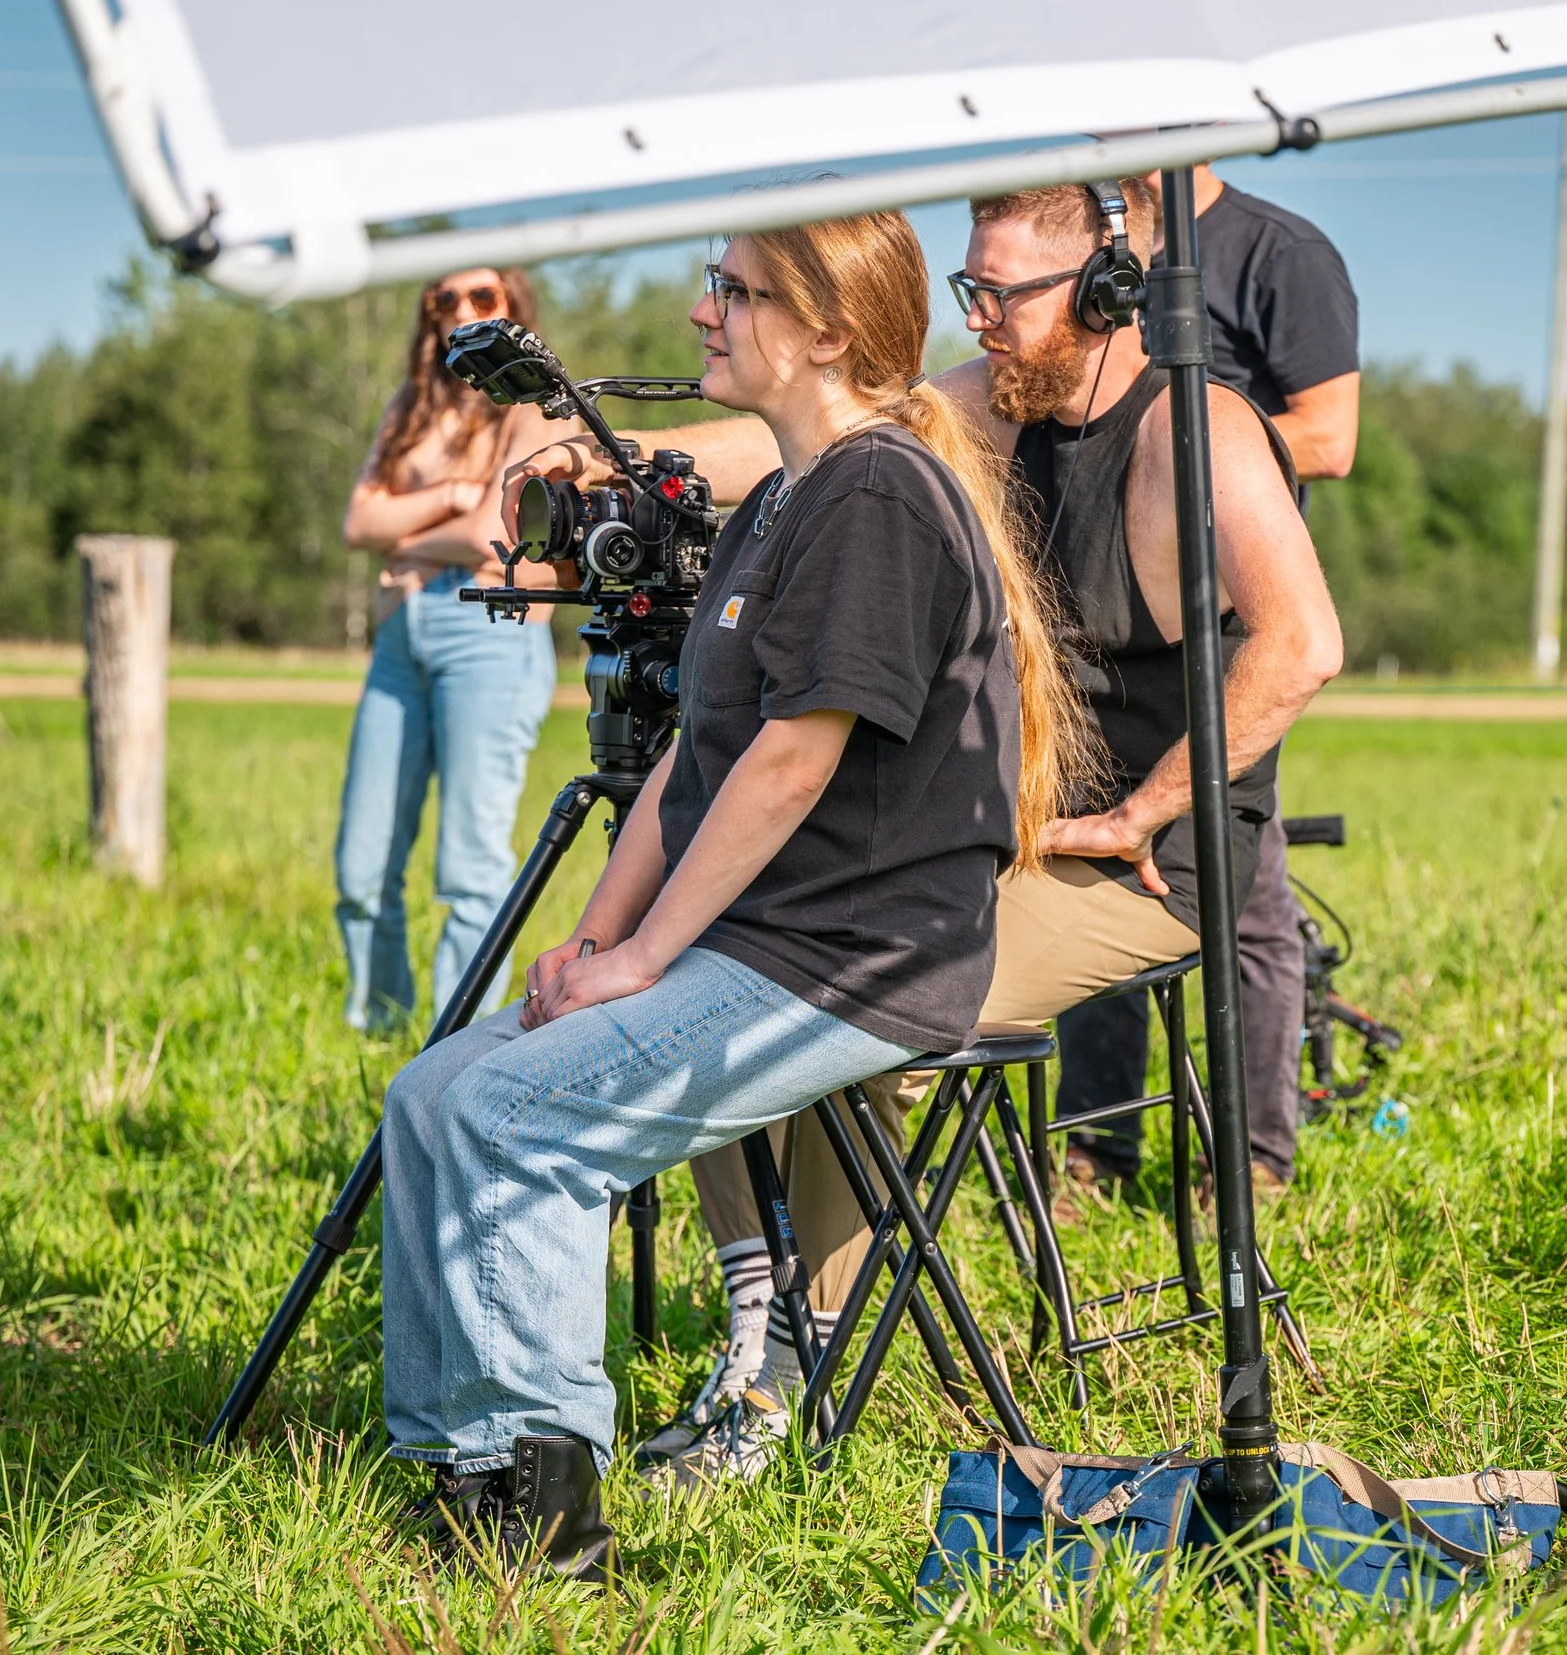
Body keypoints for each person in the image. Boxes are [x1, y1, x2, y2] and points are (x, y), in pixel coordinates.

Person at [515, 178, 1342, 1490]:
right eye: (969, 290)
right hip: (1003, 838)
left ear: (1099, 295)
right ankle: (765, 1313)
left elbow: (1303, 643)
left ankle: (794, 1360)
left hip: (1144, 865)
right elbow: (819, 426)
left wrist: (1142, 807)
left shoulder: (1196, 429)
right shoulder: (995, 406)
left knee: (853, 989)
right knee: (735, 949)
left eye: (1000, 296)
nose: (981, 321)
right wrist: (612, 469)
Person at [374, 208, 1090, 1578]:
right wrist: (596, 934)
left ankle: (548, 1508)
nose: (705, 311)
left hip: (856, 957)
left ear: (825, 331)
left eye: (735, 288)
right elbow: (689, 763)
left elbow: (788, 761)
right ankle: (459, 1463)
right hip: (765, 939)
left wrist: (644, 960)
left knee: (520, 1114)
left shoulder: (879, 492)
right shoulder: (779, 495)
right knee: (431, 1096)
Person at [1055, 162, 1361, 1201]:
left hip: (1230, 626)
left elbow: (1333, 434)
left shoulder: (1284, 253)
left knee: (1244, 896)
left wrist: (1195, 425)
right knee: (1094, 873)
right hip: (1103, 625)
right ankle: (1098, 1144)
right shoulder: (1080, 222)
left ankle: (1253, 1159)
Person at [335, 268, 566, 1034]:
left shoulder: (534, 403)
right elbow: (356, 524)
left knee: (470, 869)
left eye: (482, 298)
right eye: (444, 301)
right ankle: (380, 1027)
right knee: (362, 865)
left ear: (512, 306)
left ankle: (449, 1047)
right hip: (402, 635)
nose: (462, 312)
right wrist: (451, 499)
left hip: (492, 636)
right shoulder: (412, 406)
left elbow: (489, 535)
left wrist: (408, 536)